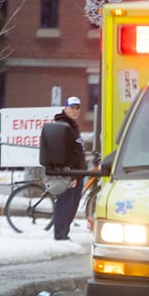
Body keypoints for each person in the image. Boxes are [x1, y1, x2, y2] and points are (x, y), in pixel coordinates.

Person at [52, 96, 87, 240]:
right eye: (72, 107)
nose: (75, 110)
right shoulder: (62, 125)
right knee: (65, 205)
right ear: (65, 108)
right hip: (69, 174)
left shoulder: (72, 126)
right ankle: (60, 236)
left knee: (72, 207)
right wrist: (70, 174)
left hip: (77, 173)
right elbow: (62, 152)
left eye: (78, 107)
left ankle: (64, 234)